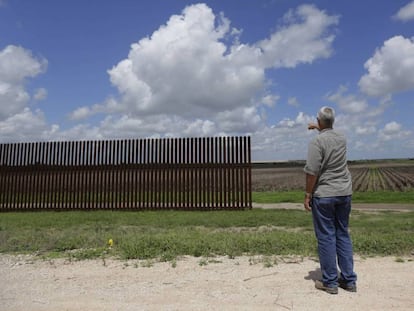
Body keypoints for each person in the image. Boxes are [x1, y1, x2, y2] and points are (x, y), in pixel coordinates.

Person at [304, 106, 357, 294]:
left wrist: (308, 194)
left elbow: (312, 171)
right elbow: (329, 135)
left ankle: (330, 282)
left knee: (326, 237)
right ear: (332, 122)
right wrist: (319, 127)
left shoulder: (316, 143)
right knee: (342, 233)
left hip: (325, 194)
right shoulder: (342, 138)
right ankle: (349, 280)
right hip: (344, 192)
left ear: (319, 121)